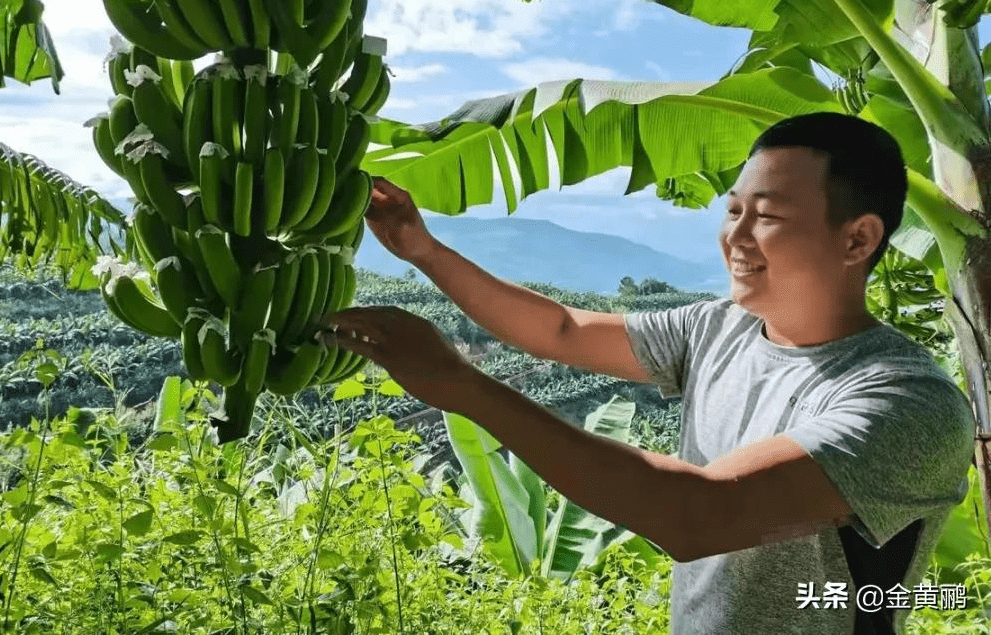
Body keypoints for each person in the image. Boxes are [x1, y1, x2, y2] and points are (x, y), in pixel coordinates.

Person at [320, 112, 976, 634]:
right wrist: (423, 251)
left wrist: (460, 386)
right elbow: (563, 331)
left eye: (768, 217)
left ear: (857, 240)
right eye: (733, 211)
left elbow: (697, 515)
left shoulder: (908, 402)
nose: (736, 237)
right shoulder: (718, 328)